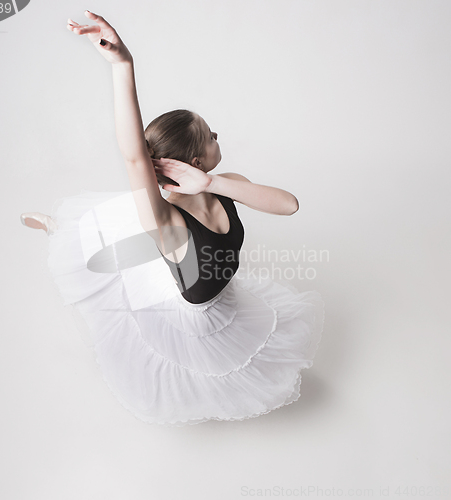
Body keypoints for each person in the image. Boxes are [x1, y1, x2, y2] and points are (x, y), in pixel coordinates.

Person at [20, 11, 325, 426]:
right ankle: (60, 228)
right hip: (187, 309)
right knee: (121, 245)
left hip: (204, 264)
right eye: (211, 135)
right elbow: (132, 156)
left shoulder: (227, 183)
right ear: (195, 158)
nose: (219, 136)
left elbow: (288, 204)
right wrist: (123, 65)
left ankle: (80, 233)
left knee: (139, 239)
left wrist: (211, 183)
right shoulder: (166, 220)